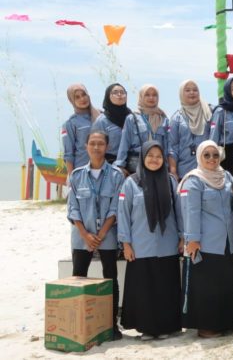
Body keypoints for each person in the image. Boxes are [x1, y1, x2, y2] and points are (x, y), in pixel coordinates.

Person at [118, 141, 183, 340]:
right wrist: (126, 244)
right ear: (143, 157)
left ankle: (167, 328)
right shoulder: (131, 183)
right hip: (141, 245)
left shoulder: (171, 181)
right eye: (150, 155)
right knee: (144, 289)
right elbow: (123, 214)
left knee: (166, 288)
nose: (154, 159)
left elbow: (179, 211)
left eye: (158, 156)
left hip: (167, 244)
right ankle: (146, 329)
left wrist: (182, 237)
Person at [66, 130, 125, 340]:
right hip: (82, 236)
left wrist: (100, 234)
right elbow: (72, 209)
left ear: (107, 147)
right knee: (78, 276)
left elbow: (116, 207)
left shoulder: (117, 175)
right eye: (93, 143)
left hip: (107, 235)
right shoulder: (76, 175)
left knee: (110, 278)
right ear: (86, 147)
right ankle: (77, 324)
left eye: (101, 143)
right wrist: (85, 234)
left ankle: (111, 325)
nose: (97, 147)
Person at [180, 140, 233, 338]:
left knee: (226, 283)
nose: (211, 159)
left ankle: (227, 322)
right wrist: (192, 240)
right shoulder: (194, 180)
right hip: (205, 243)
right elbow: (190, 212)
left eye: (215, 155)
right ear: (199, 157)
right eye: (206, 155)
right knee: (207, 286)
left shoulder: (227, 177)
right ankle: (206, 326)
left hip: (227, 242)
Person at [115, 84, 170, 175]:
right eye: (147, 95)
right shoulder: (132, 118)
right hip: (136, 167)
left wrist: (169, 167)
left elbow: (168, 145)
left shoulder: (164, 119)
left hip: (158, 166)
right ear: (141, 97)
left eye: (154, 95)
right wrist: (120, 165)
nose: (151, 98)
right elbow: (124, 143)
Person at [169, 80, 212, 179]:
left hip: (208, 169)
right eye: (187, 90)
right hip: (185, 171)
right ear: (181, 94)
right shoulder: (176, 118)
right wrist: (173, 171)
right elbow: (172, 147)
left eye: (195, 90)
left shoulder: (209, 113)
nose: (192, 92)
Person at [63, 83, 101, 175]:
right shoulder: (70, 123)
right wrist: (71, 177)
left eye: (84, 95)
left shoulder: (100, 116)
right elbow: (68, 154)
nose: (82, 99)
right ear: (72, 100)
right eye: (77, 97)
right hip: (82, 171)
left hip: (103, 169)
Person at [92, 83, 131, 164]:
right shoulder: (102, 121)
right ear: (108, 96)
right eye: (115, 92)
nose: (119, 94)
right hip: (109, 165)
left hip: (132, 165)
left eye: (122, 92)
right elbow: (95, 147)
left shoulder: (132, 118)